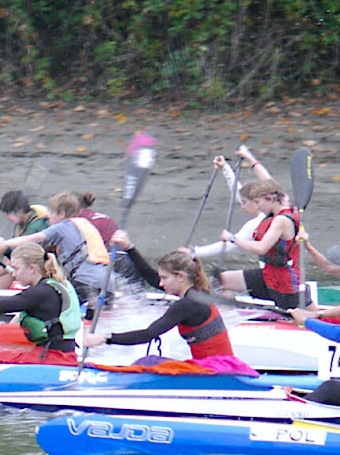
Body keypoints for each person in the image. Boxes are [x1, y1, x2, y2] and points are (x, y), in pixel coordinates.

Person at [84, 232, 237, 360]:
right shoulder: (197, 291)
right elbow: (152, 279)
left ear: (181, 277)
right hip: (218, 366)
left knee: (148, 364)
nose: (161, 284)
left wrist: (105, 338)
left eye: (165, 278)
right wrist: (130, 248)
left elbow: (148, 334)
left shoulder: (186, 304)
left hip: (215, 371)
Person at [0, 191, 111, 312]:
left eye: (51, 213)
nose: (48, 217)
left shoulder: (61, 227)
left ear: (61, 214)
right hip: (107, 281)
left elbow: (32, 239)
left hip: (86, 281)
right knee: (97, 317)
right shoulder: (84, 224)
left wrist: (0, 244)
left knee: (53, 307)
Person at [219, 178, 316, 310]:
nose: (257, 207)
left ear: (271, 199)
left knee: (309, 316)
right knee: (220, 280)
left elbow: (261, 248)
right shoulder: (282, 208)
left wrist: (232, 238)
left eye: (258, 202)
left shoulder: (281, 220)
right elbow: (269, 182)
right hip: (268, 276)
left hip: (285, 284)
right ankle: (234, 312)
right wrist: (250, 159)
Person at [192, 145, 273, 259]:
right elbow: (240, 192)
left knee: (224, 277)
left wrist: (194, 252)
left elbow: (228, 246)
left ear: (256, 202)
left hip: (275, 272)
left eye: (244, 203)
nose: (242, 207)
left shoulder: (257, 223)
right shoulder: (275, 204)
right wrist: (226, 168)